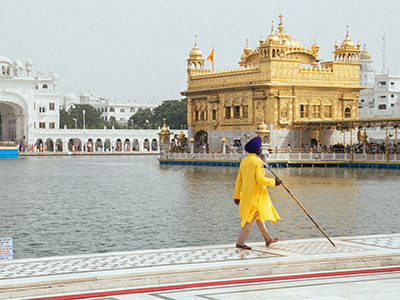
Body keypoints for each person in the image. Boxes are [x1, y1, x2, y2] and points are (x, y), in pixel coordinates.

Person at [234, 136, 282, 250]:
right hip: (256, 196)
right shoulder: (257, 161)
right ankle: (240, 243)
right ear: (257, 150)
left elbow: (239, 180)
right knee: (249, 220)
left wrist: (237, 196)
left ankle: (268, 239)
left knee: (259, 218)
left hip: (248, 194)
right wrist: (274, 182)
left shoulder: (244, 161)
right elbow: (260, 179)